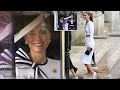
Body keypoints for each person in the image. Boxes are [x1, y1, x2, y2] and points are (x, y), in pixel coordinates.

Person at [14, 12, 60, 79]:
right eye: (32, 33)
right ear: (25, 39)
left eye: (43, 32)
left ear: (50, 37)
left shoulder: (59, 65)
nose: (38, 38)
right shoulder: (15, 68)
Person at [81, 12, 97, 79]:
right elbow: (86, 35)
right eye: (83, 15)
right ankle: (89, 73)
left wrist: (89, 45)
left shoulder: (90, 24)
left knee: (84, 59)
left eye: (85, 15)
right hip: (87, 43)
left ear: (89, 16)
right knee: (87, 59)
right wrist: (86, 44)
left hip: (90, 44)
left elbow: (91, 35)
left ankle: (93, 73)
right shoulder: (86, 23)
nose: (84, 17)